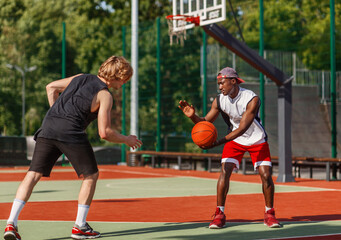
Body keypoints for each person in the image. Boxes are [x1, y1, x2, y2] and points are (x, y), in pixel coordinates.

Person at [3, 56, 142, 240]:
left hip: (48, 128)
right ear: (118, 76)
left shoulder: (80, 77)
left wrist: (57, 114)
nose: (124, 83)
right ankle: (80, 226)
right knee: (91, 175)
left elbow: (51, 87)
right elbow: (105, 132)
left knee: (33, 174)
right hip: (71, 133)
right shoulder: (105, 95)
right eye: (125, 79)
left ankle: (10, 224)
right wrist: (127, 139)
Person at [178, 67, 280, 229]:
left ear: (233, 81)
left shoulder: (251, 98)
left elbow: (242, 129)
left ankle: (270, 213)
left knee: (265, 175)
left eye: (222, 83)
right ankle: (219, 214)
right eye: (218, 84)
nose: (220, 87)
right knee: (225, 171)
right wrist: (193, 117)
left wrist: (216, 143)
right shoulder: (219, 100)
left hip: (256, 139)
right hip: (235, 140)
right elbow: (205, 124)